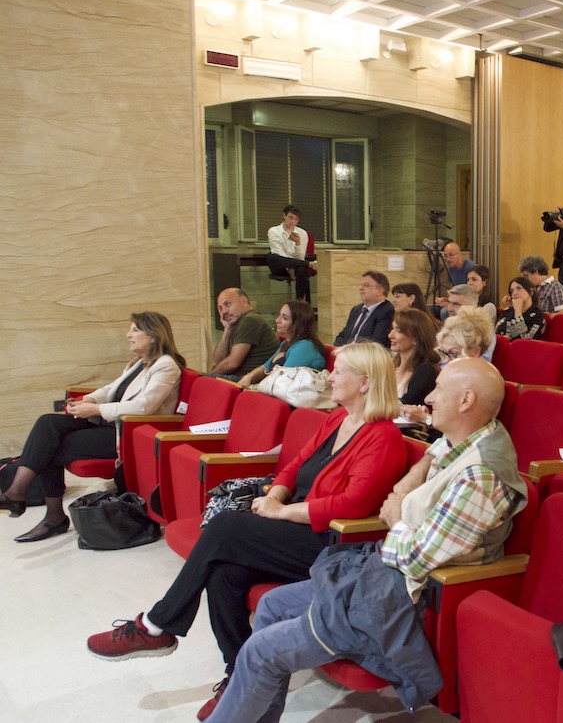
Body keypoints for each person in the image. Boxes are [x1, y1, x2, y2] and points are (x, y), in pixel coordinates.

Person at [85, 342, 408, 720]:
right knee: (223, 572)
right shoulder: (337, 419)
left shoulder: (383, 437)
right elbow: (295, 464)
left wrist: (281, 512)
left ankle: (157, 625)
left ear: (365, 383)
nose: (330, 377)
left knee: (225, 526)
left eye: (339, 371)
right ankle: (238, 673)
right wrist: (275, 495)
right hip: (297, 526)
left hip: (332, 544)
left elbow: (349, 506)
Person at [194, 358, 529, 722]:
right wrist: (408, 483)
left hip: (400, 599)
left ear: (466, 400)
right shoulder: (471, 436)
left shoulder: (481, 477)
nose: (428, 397)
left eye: (438, 389)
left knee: (260, 651)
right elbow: (435, 454)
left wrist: (396, 514)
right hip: (380, 571)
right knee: (273, 604)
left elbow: (415, 560)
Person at [0, 313, 185, 542]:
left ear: (154, 335)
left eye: (135, 330)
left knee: (51, 448)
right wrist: (88, 400)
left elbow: (144, 406)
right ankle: (20, 494)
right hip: (110, 423)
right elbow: (110, 389)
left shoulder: (166, 365)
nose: (128, 335)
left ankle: (48, 513)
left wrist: (96, 410)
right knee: (47, 422)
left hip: (129, 434)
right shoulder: (140, 363)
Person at [236, 301, 325, 389]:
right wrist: (249, 377)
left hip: (291, 394)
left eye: (284, 318)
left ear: (298, 324)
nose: (277, 320)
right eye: (279, 315)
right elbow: (265, 367)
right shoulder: (286, 343)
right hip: (274, 388)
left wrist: (251, 388)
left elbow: (282, 379)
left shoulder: (305, 347)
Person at [209, 288, 281, 381]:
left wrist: (208, 375)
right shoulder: (236, 323)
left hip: (248, 381)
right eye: (220, 308)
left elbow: (232, 363)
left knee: (201, 380)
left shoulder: (250, 320)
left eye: (228, 304)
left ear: (243, 300)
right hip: (239, 378)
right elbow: (216, 361)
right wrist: (227, 329)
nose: (224, 311)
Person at [390, 310, 442, 427]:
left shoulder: (426, 371)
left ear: (416, 338)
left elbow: (405, 406)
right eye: (392, 328)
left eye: (398, 330)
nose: (390, 335)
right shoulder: (390, 365)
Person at [333, 272, 395, 348]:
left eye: (366, 285)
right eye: (361, 285)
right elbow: (343, 335)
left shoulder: (387, 311)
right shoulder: (356, 309)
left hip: (366, 353)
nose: (361, 288)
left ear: (379, 290)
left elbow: (377, 342)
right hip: (347, 352)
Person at [266, 204, 311, 302]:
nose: (292, 221)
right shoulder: (274, 231)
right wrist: (290, 269)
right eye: (290, 217)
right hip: (281, 267)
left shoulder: (302, 233)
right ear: (284, 216)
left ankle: (299, 301)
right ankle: (308, 264)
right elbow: (279, 254)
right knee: (272, 257)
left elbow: (300, 257)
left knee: (301, 269)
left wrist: (298, 243)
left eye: (296, 219)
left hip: (297, 266)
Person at [496, 277, 545, 341]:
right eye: (512, 291)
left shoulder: (538, 316)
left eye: (519, 288)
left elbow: (524, 340)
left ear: (531, 291)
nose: (514, 293)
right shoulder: (508, 311)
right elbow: (496, 332)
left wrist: (518, 312)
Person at [432, 243, 478, 311]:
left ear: (459, 254)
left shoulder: (470, 268)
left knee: (444, 312)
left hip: (467, 303)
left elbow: (472, 294)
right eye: (445, 256)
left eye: (451, 255)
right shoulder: (451, 268)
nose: (448, 259)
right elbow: (454, 290)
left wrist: (450, 304)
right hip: (457, 300)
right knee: (433, 309)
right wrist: (446, 299)